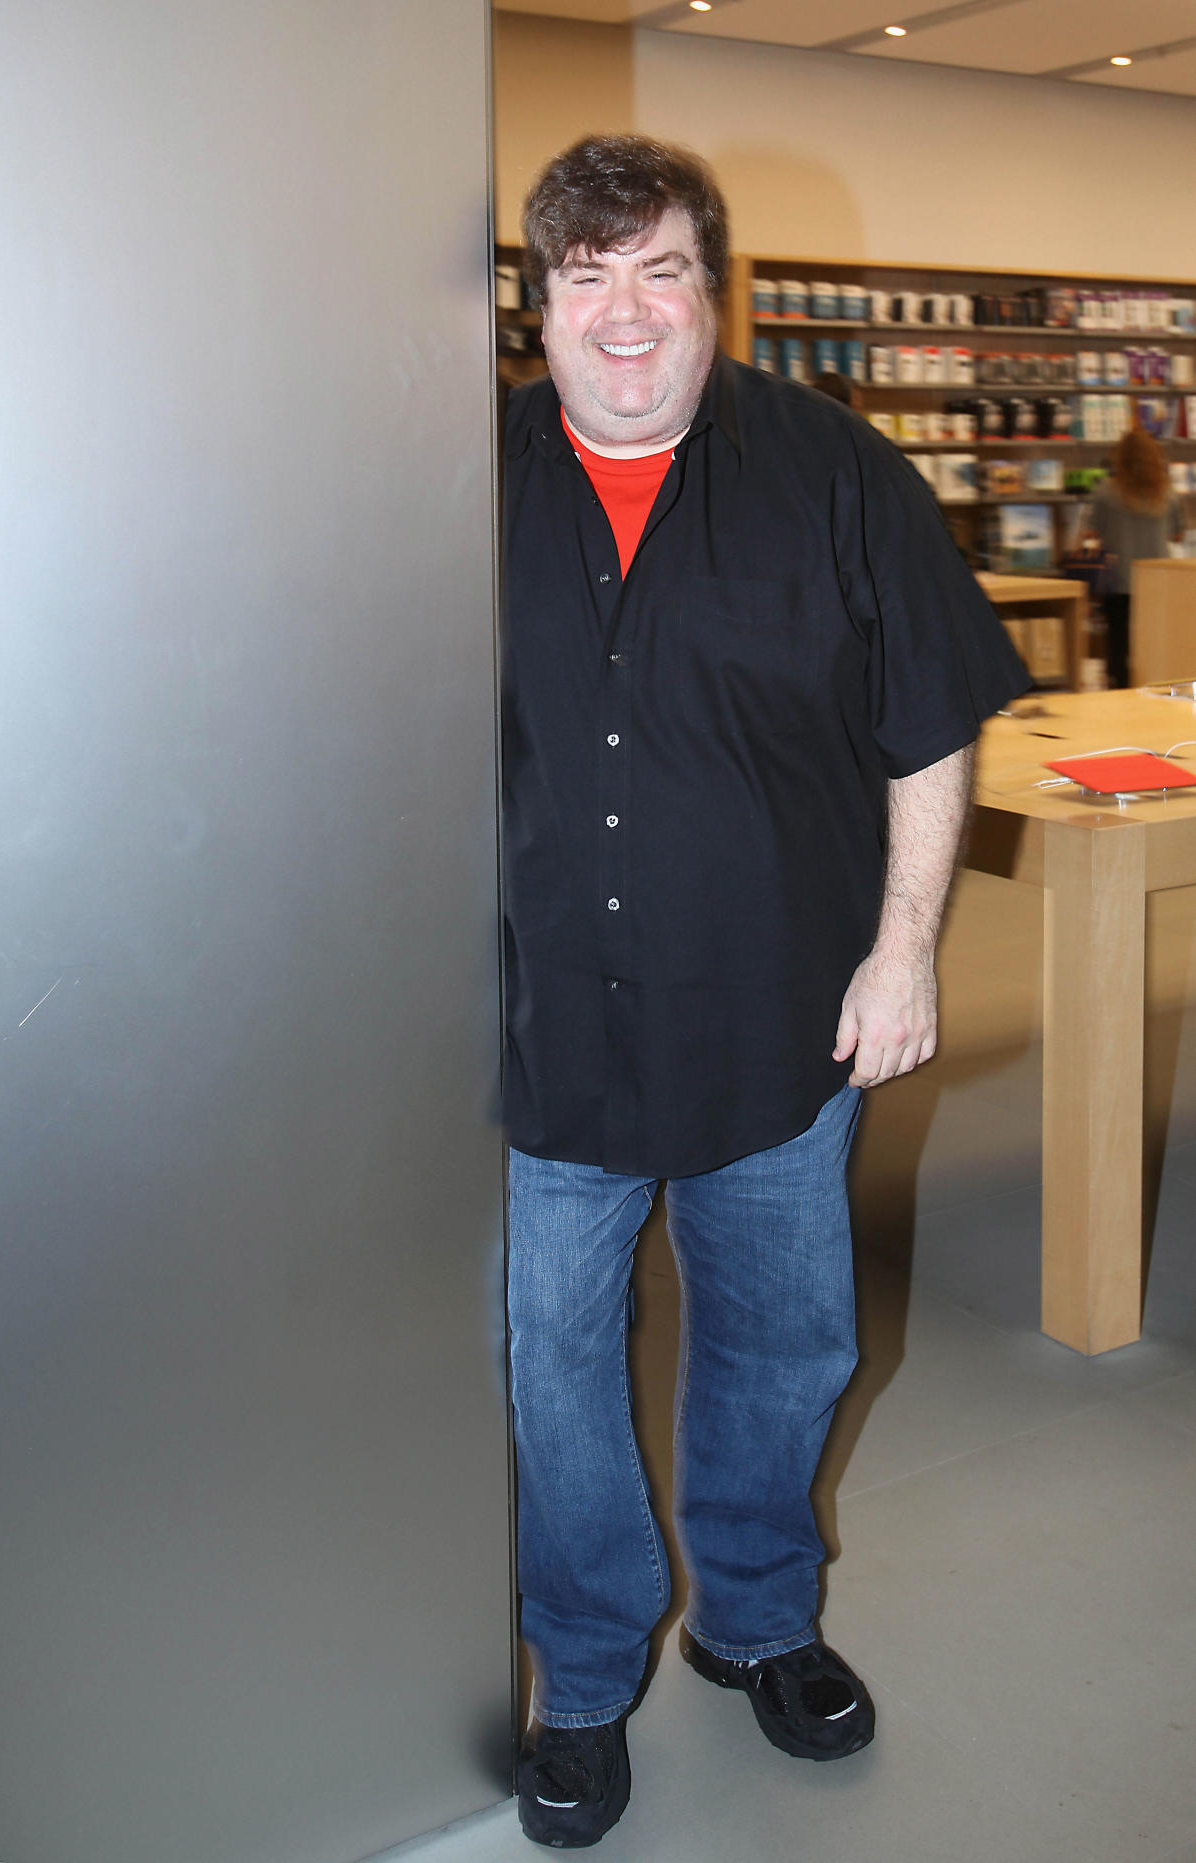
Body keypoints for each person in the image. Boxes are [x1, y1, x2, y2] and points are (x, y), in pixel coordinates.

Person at [501, 134, 1028, 1850]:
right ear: (538, 304)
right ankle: (582, 1669)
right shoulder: (457, 476)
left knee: (783, 1338)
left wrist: (906, 942)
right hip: (545, 1025)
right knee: (553, 1362)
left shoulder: (834, 472)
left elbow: (927, 719)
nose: (624, 312)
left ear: (712, 292)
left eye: (658, 269)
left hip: (784, 1011)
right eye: (585, 277)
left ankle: (757, 1618)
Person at [1084, 429, 1183, 688]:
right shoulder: (1167, 494)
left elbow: (1091, 534)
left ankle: (1119, 692)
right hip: (1160, 583)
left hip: (1118, 582)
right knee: (1156, 642)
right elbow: (1177, 535)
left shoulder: (1106, 493)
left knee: (1118, 644)